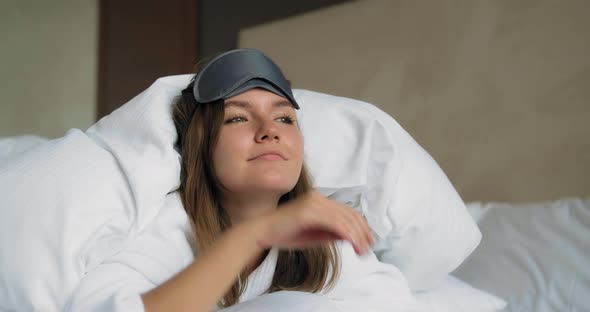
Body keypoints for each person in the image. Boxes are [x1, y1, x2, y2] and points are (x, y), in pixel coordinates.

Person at [140, 49, 376, 311]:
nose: (270, 131)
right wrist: (253, 236)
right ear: (201, 145)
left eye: (284, 119)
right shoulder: (161, 231)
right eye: (238, 118)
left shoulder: (327, 243)